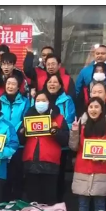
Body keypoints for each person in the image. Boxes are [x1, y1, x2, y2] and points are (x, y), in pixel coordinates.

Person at [18, 91, 69, 204]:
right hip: (30, 162)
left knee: (49, 198)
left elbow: (65, 140)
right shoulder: (28, 117)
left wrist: (55, 131)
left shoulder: (59, 118)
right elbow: (20, 140)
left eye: (43, 100)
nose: (40, 103)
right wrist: (23, 131)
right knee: (32, 200)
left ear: (49, 102)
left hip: (50, 162)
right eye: (37, 101)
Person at [69, 97, 106, 211]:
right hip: (82, 171)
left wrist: (104, 156)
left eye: (96, 107)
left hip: (101, 171)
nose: (93, 110)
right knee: (83, 207)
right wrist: (74, 131)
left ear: (102, 109)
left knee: (100, 208)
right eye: (90, 107)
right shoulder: (81, 125)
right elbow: (73, 147)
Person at [43, 73, 76, 201]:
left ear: (60, 85)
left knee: (59, 175)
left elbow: (70, 120)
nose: (52, 84)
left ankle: (58, 202)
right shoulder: (40, 98)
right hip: (43, 142)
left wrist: (58, 129)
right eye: (50, 82)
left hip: (60, 142)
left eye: (55, 82)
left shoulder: (67, 100)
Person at [0, 76, 30, 200]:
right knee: (4, 175)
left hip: (18, 142)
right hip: (2, 142)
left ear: (18, 87)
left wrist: (14, 134)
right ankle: (4, 203)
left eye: (13, 84)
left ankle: (16, 203)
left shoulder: (25, 102)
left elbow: (25, 120)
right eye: (8, 83)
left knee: (17, 175)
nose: (10, 86)